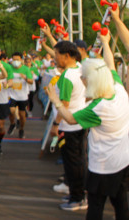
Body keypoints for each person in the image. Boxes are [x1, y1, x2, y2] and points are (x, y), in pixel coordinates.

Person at [47, 58, 129, 219]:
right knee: (120, 201)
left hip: (103, 167)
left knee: (96, 205)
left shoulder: (98, 108)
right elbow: (111, 66)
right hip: (122, 162)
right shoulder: (119, 91)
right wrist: (105, 42)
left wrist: (55, 101)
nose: (82, 79)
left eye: (84, 77)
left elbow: (70, 118)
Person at [51, 41, 87, 211]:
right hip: (80, 122)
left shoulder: (66, 77)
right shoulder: (79, 69)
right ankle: (77, 193)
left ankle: (77, 198)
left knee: (72, 164)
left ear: (66, 56)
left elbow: (63, 104)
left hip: (68, 125)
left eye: (56, 54)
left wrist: (56, 124)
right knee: (79, 161)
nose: (54, 57)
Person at [7, 52, 33, 139]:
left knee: (22, 116)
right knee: (11, 110)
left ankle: (21, 129)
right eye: (14, 60)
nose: (15, 62)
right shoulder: (9, 68)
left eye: (17, 60)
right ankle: (12, 124)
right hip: (12, 94)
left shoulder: (25, 69)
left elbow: (31, 81)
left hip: (22, 96)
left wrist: (25, 77)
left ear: (21, 60)